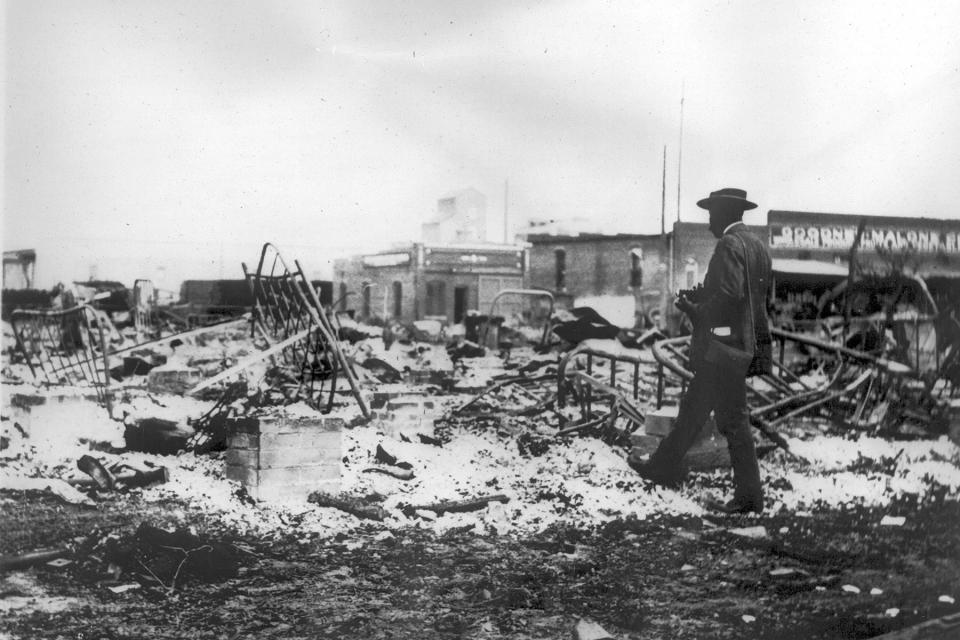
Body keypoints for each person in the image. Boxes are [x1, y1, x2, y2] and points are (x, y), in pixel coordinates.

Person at [630, 187, 773, 514]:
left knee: (733, 420)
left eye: (711, 214)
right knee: (694, 408)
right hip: (742, 346)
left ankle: (749, 497)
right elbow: (751, 299)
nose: (708, 221)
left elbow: (728, 297)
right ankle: (663, 467)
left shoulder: (728, 245)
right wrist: (705, 296)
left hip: (723, 349)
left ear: (723, 213)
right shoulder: (757, 247)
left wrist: (695, 309)